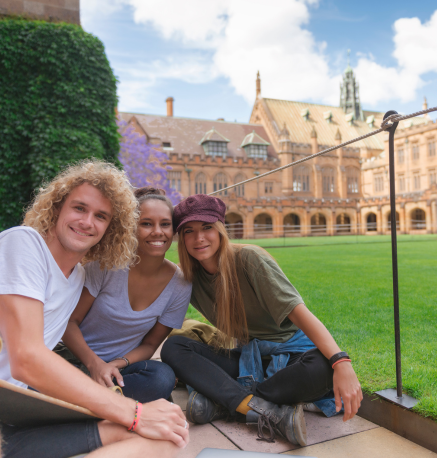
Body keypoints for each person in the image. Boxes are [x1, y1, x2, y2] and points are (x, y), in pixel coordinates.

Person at [0, 161, 189, 458]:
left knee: (169, 439)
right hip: (16, 401)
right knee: (149, 425)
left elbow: (152, 343)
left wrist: (119, 375)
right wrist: (134, 412)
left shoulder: (77, 276)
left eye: (100, 216)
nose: (87, 222)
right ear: (57, 207)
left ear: (111, 229)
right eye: (79, 208)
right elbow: (27, 358)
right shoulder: (24, 244)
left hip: (22, 412)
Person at [161, 194, 363, 446]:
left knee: (321, 369)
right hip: (249, 359)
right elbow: (157, 324)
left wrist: (340, 361)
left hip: (292, 355)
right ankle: (264, 408)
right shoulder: (187, 279)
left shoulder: (249, 260)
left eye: (207, 227)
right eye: (189, 230)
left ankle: (223, 402)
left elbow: (301, 315)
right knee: (174, 347)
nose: (199, 238)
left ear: (221, 229)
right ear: (181, 238)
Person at [61, 187, 191, 403]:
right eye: (146, 223)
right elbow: (69, 322)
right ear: (131, 227)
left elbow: (150, 345)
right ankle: (105, 403)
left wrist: (114, 365)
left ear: (173, 230)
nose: (158, 231)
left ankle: (85, 403)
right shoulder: (106, 267)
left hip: (119, 368)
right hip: (75, 360)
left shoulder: (180, 284)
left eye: (165, 224)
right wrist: (95, 365)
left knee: (162, 377)